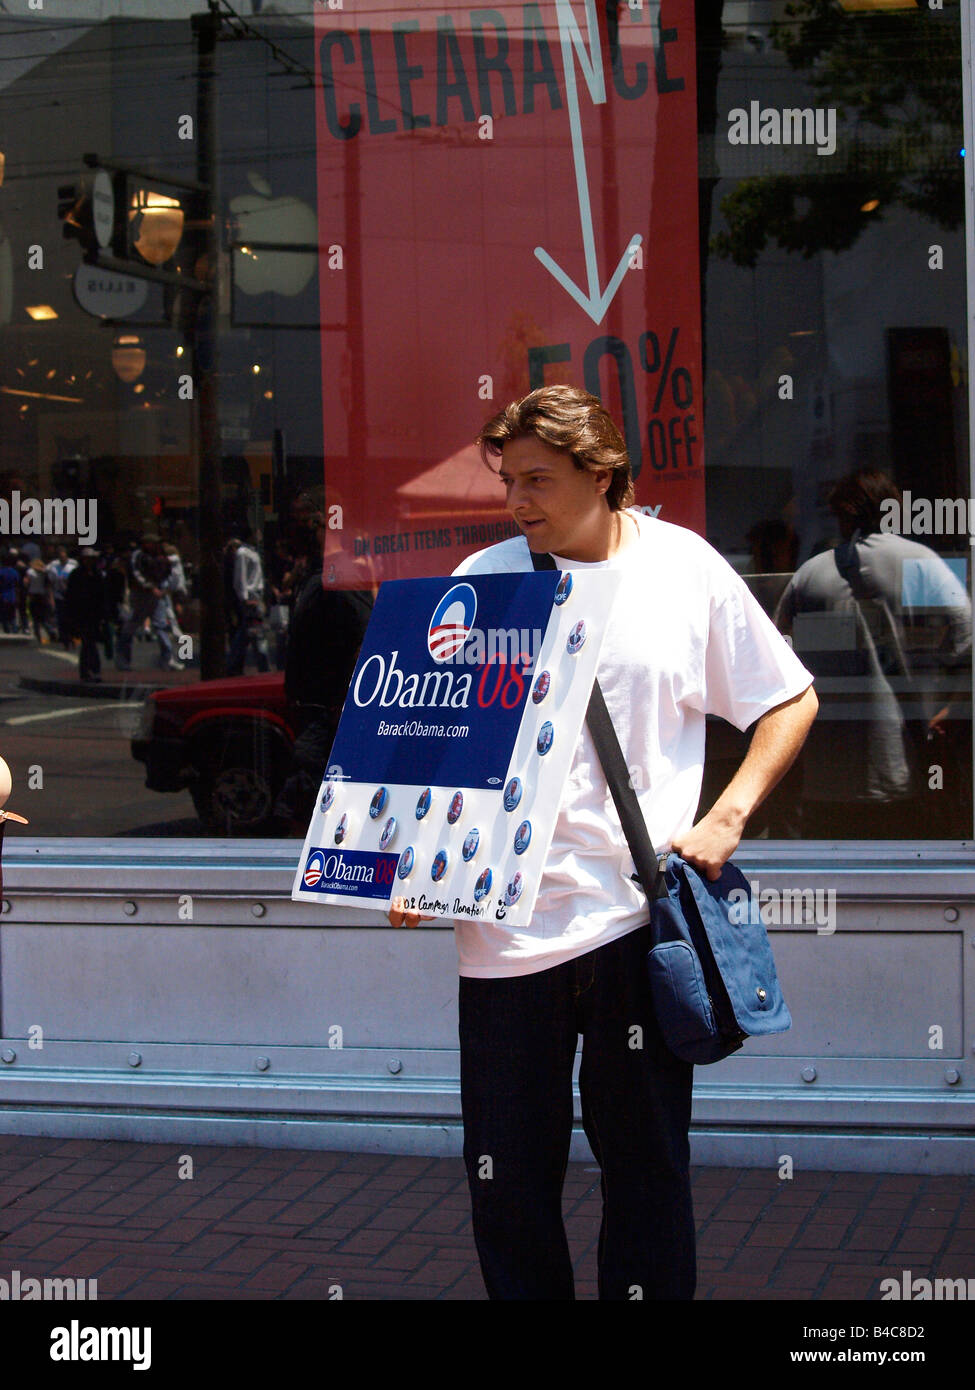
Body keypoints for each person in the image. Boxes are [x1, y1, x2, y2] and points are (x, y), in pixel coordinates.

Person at [390, 385, 818, 1301]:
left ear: (605, 474)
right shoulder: (485, 579)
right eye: (508, 482)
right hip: (503, 933)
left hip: (634, 921)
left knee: (648, 1170)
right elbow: (432, 740)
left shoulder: (684, 569)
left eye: (539, 481)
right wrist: (412, 861)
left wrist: (729, 814)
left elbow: (787, 698)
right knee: (505, 1176)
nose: (517, 503)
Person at [774, 469, 972, 838]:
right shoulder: (917, 563)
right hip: (901, 768)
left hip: (824, 775)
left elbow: (776, 653)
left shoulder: (811, 573)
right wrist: (947, 699)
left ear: (843, 514)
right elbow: (966, 631)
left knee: (834, 880)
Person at [115, 534, 182, 672]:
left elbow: (169, 573)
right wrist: (151, 587)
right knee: (132, 625)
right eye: (151, 543)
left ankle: (167, 660)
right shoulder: (138, 556)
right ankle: (123, 660)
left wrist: (164, 588)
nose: (155, 546)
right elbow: (136, 574)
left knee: (161, 626)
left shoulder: (161, 556)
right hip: (141, 595)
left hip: (157, 596)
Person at [226, 527, 270, 676]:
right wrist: (245, 599)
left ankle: (233, 665)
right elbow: (240, 578)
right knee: (255, 633)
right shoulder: (243, 553)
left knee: (247, 634)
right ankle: (261, 666)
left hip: (255, 597)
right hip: (251, 599)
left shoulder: (251, 551)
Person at [64, 547, 106, 682]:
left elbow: (102, 595)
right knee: (88, 642)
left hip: (94, 614)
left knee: (90, 642)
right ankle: (89, 670)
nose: (90, 561)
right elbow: (70, 597)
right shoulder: (76, 575)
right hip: (80, 614)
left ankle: (91, 670)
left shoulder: (97, 574)